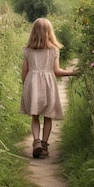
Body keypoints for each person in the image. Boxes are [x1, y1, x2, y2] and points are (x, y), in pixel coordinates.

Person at [20, 18, 80, 158]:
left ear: (33, 32)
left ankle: (36, 142)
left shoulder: (28, 50)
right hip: (48, 86)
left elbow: (24, 70)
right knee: (48, 117)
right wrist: (72, 73)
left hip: (32, 84)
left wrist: (25, 86)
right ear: (49, 33)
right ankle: (45, 145)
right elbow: (56, 72)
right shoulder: (53, 51)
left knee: (35, 117)